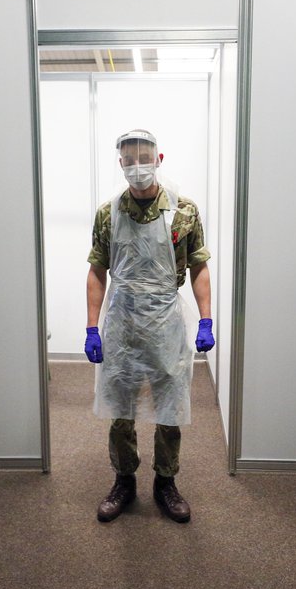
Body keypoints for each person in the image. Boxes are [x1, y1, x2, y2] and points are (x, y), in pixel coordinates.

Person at [84, 129, 215, 524]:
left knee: (169, 405)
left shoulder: (184, 210)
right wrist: (93, 327)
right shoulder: (109, 213)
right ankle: (124, 479)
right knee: (120, 407)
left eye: (145, 157)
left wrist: (205, 318)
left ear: (158, 159)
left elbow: (199, 266)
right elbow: (97, 270)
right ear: (120, 163)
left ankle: (166, 482)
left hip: (165, 322)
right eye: (130, 158)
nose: (137, 165)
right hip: (122, 321)